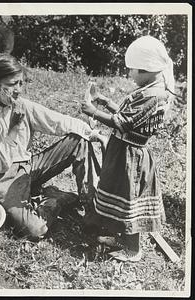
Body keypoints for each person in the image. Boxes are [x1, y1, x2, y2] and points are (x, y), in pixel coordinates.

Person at [0, 53, 106, 240]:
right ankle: (54, 199)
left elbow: (57, 121)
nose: (18, 91)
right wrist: (14, 129)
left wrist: (95, 135)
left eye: (20, 83)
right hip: (0, 179)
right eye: (11, 85)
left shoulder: (22, 105)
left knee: (80, 141)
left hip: (28, 166)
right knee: (35, 230)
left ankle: (94, 209)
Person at [82, 35, 175, 262]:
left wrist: (92, 111)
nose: (130, 74)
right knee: (120, 194)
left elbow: (122, 123)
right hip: (124, 150)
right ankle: (122, 238)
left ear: (146, 69)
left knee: (128, 198)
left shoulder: (153, 95)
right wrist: (103, 100)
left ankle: (133, 249)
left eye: (132, 70)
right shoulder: (151, 89)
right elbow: (128, 116)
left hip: (130, 156)